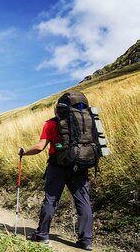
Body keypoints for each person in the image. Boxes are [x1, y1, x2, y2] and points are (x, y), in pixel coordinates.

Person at [19, 104, 93, 251]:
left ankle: (42, 235)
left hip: (57, 167)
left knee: (51, 199)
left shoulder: (51, 123)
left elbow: (40, 147)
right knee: (84, 202)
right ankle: (86, 240)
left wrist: (23, 153)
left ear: (56, 110)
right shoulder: (86, 121)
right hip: (80, 166)